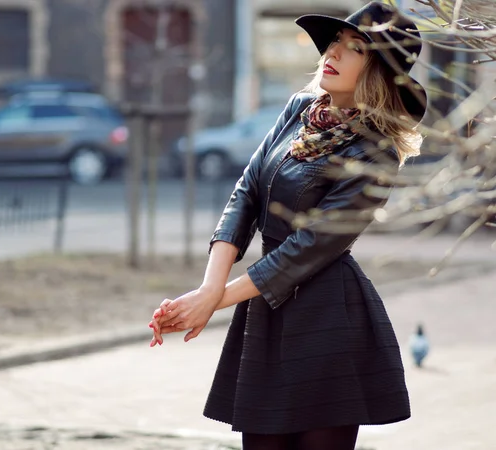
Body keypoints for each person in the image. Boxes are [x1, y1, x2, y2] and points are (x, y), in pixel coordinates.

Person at [148, 2, 427, 449]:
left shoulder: (377, 153)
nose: (333, 53)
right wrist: (206, 289)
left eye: (354, 49)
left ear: (377, 71)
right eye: (335, 42)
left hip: (330, 319)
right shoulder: (298, 111)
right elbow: (247, 194)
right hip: (266, 311)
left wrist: (211, 302)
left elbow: (308, 248)